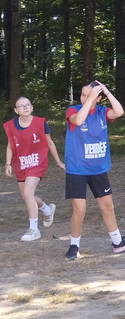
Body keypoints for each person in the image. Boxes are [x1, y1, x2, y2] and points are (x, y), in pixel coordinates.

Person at [63, 81, 125, 260]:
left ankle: (117, 242)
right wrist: (89, 100)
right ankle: (74, 246)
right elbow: (78, 120)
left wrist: (107, 92)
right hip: (77, 169)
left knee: (107, 207)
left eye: (89, 94)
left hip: (98, 169)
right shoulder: (73, 111)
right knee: (80, 210)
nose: (84, 97)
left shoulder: (101, 112)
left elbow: (119, 112)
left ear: (98, 98)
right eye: (82, 94)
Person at [4, 96, 63, 241]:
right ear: (16, 110)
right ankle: (47, 209)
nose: (25, 107)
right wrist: (8, 164)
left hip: (37, 162)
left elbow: (50, 143)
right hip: (20, 163)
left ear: (31, 107)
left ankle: (34, 229)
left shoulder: (40, 123)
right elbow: (10, 146)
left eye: (27, 105)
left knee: (28, 193)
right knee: (25, 196)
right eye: (21, 106)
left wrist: (58, 162)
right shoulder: (11, 125)